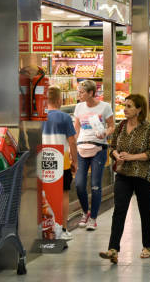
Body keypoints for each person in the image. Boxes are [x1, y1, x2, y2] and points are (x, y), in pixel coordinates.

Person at [100, 94, 150, 264]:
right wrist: (116, 155)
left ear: (139, 109)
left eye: (129, 106)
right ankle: (113, 249)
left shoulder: (149, 128)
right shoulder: (120, 126)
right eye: (124, 105)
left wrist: (132, 157)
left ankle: (147, 246)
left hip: (143, 175)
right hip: (123, 174)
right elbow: (112, 147)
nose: (125, 109)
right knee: (119, 210)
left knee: (144, 210)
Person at [73, 79, 115, 231]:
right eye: (79, 91)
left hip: (99, 148)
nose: (80, 94)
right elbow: (76, 129)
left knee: (96, 185)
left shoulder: (104, 107)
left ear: (91, 93)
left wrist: (105, 132)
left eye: (82, 92)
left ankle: (93, 218)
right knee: (79, 184)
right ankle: (85, 212)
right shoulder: (78, 107)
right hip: (82, 148)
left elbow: (112, 126)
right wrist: (73, 147)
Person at [42, 86, 77, 240]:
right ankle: (62, 229)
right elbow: (72, 142)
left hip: (42, 160)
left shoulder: (39, 117)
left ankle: (46, 228)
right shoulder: (65, 118)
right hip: (61, 161)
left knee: (44, 195)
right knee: (63, 194)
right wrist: (74, 161)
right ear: (59, 100)